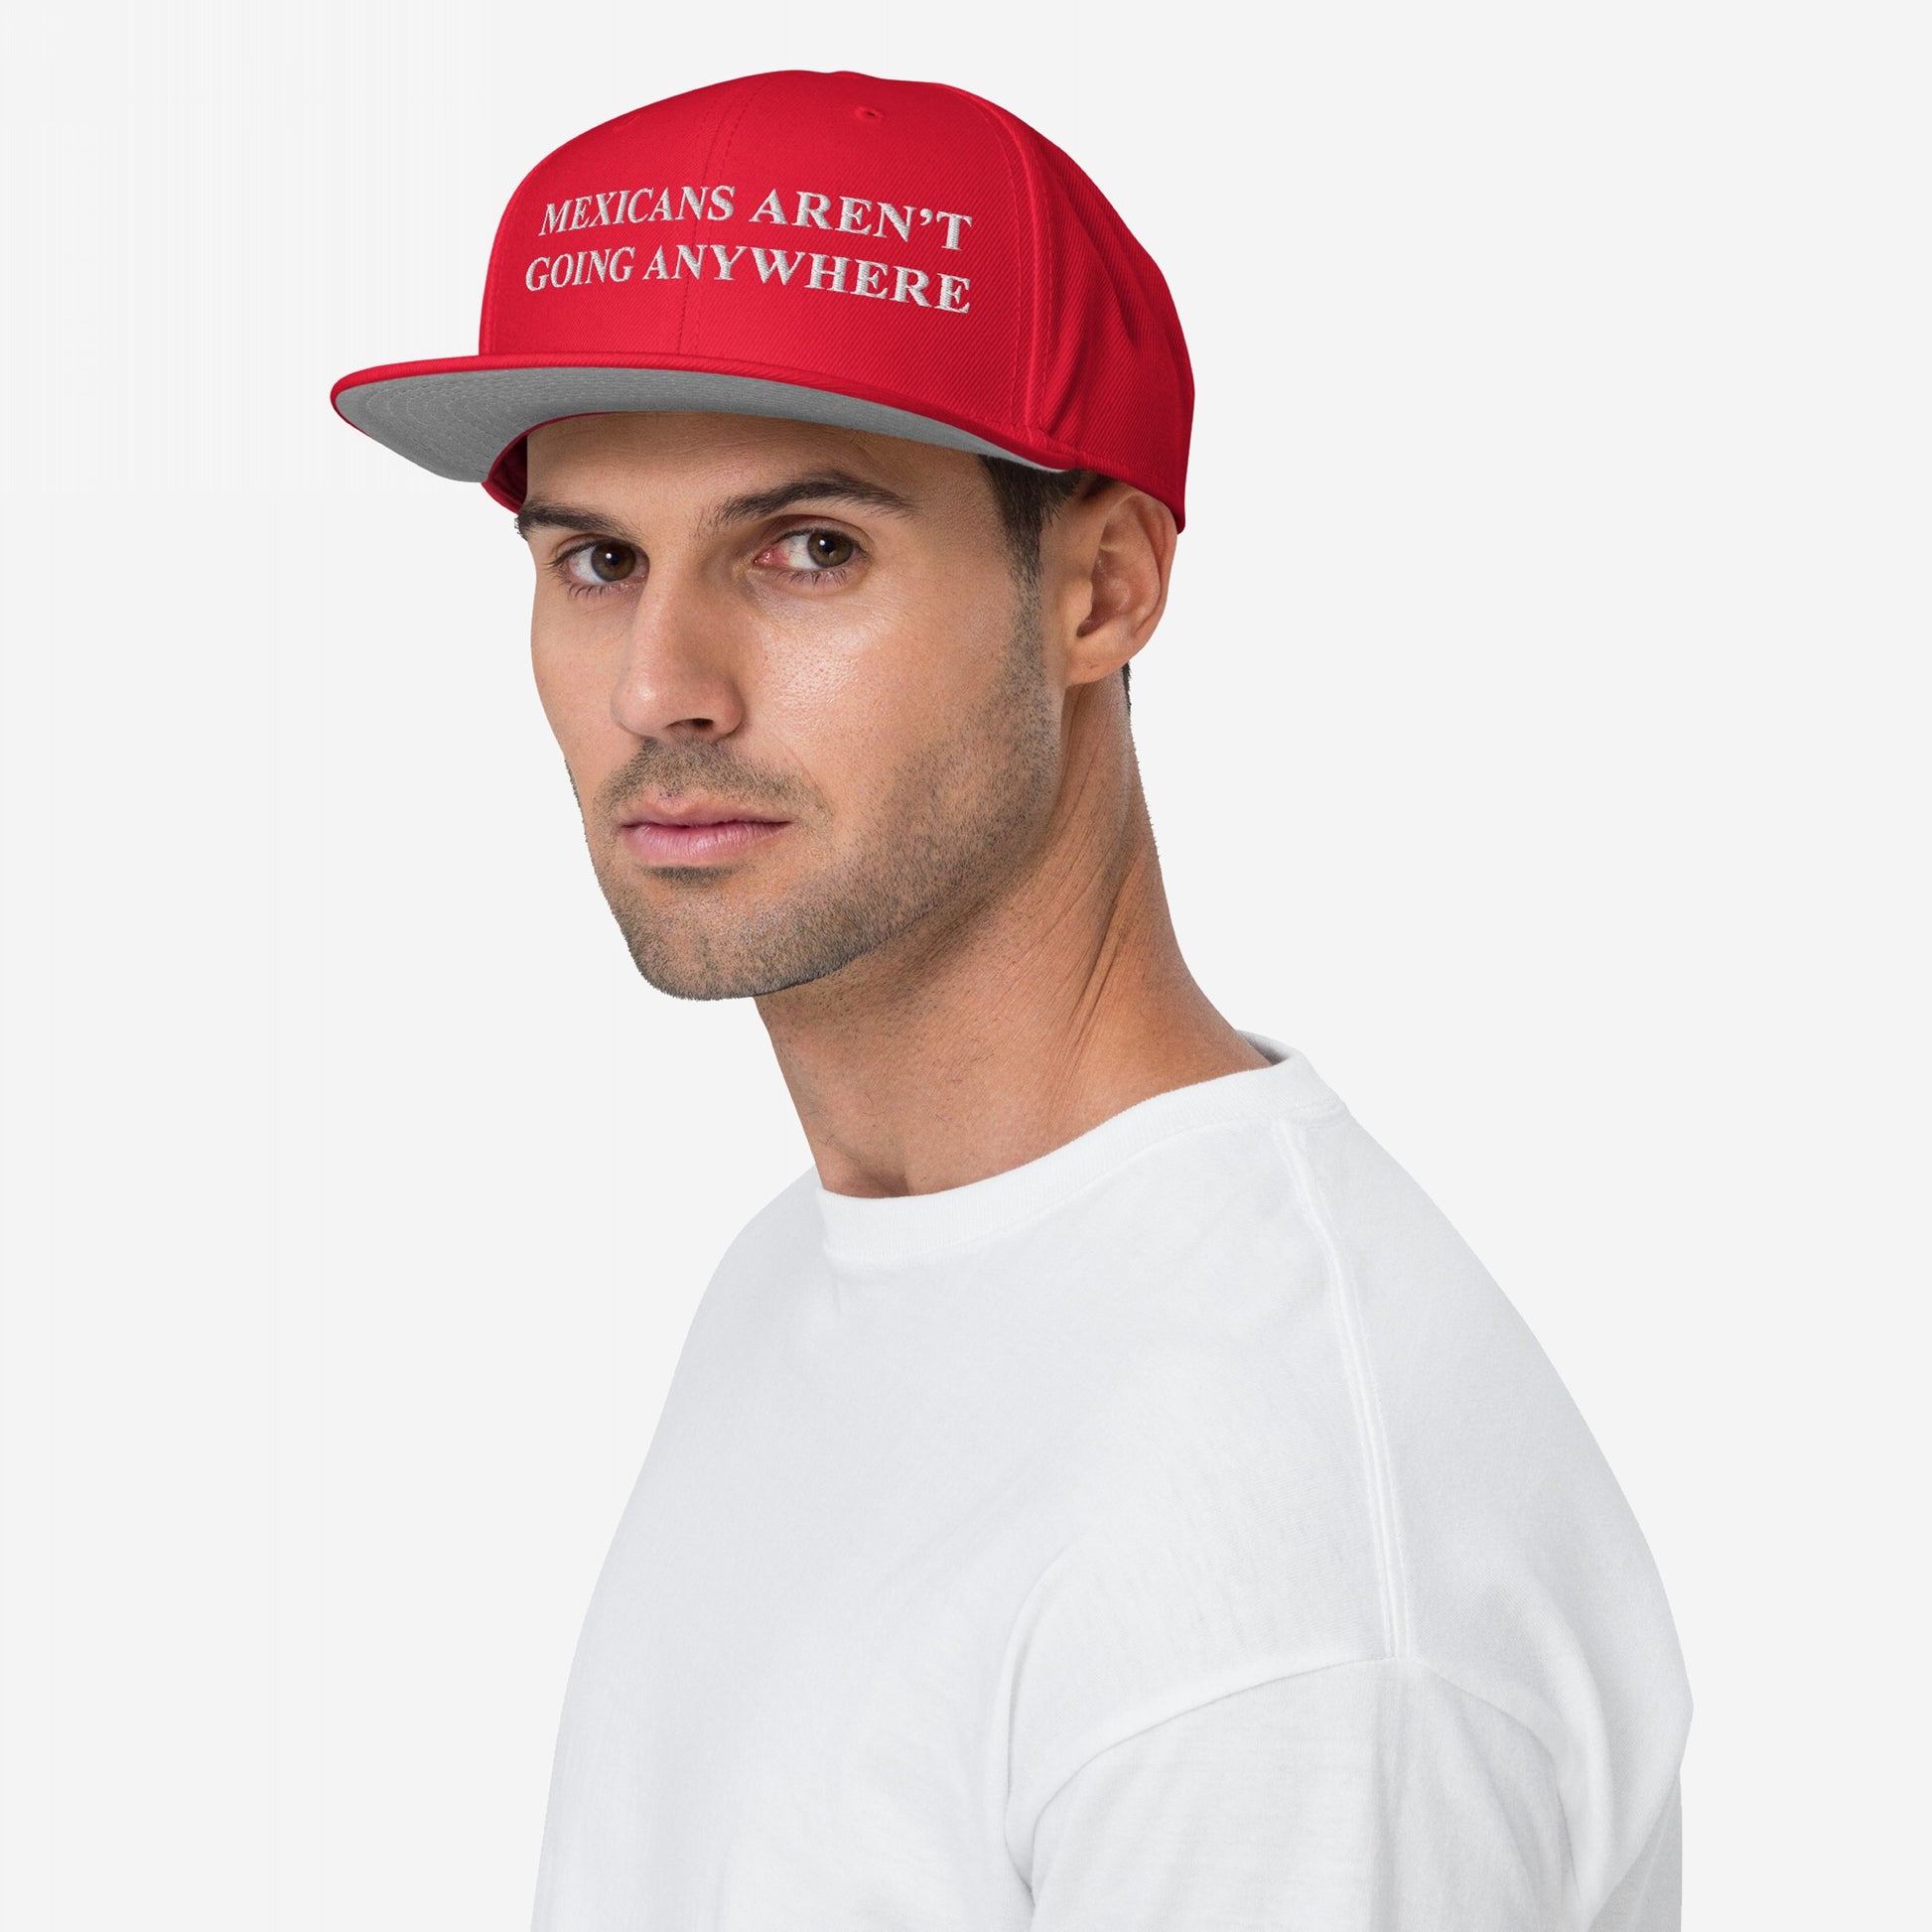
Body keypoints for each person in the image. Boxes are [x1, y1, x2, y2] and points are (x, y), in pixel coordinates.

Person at [332, 67, 1692, 1932]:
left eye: (807, 548)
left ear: (1101, 590)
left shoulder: (1264, 1591)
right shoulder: (815, 1272)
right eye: (597, 559)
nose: (660, 686)